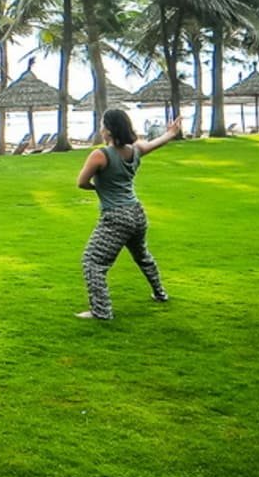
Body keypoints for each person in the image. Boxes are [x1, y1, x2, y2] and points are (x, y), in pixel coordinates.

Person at [74, 108, 181, 320]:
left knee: (93, 262)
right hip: (137, 213)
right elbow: (156, 143)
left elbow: (81, 182)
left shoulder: (100, 155)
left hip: (116, 217)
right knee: (142, 256)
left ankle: (101, 312)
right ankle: (160, 294)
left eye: (103, 125)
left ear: (109, 130)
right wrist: (171, 133)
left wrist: (99, 188)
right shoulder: (136, 149)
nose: (101, 129)